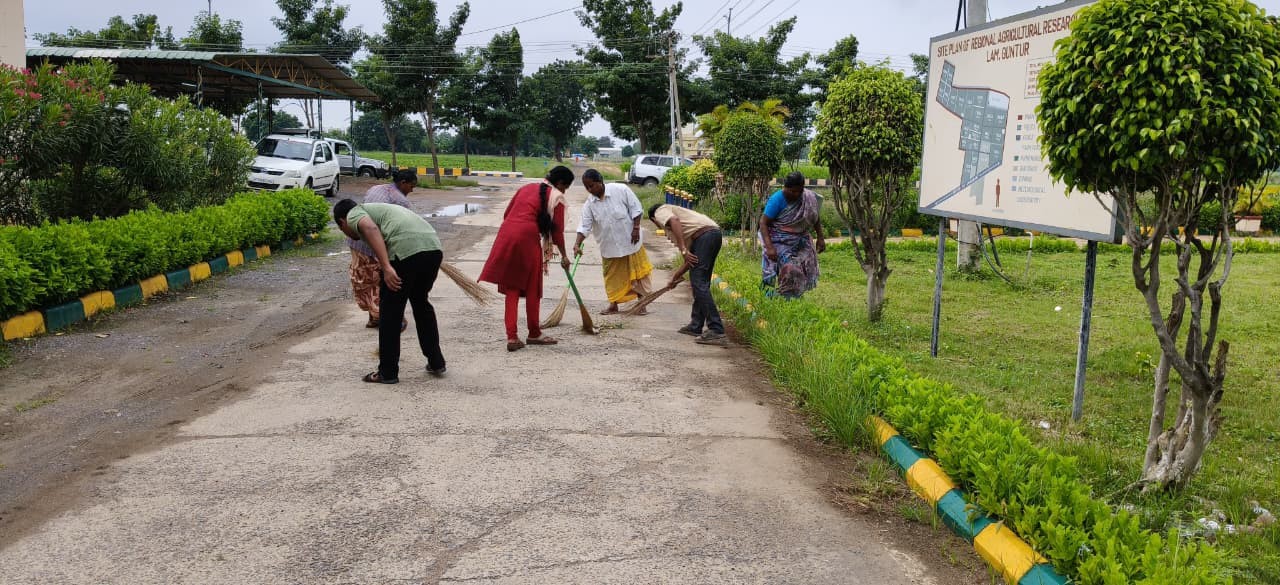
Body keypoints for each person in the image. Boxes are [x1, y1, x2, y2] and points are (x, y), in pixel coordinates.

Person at [334, 198, 446, 384]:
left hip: (407, 252)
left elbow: (370, 229)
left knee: (390, 312)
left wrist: (386, 267)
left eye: (342, 229)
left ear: (342, 222)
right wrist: (385, 263)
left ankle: (387, 372)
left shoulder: (354, 213)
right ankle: (436, 362)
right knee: (420, 302)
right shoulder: (381, 210)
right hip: (433, 248)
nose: (347, 233)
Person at [480, 166, 575, 352]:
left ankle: (512, 337)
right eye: (566, 187)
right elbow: (557, 232)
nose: (564, 191)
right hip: (527, 238)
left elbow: (507, 214)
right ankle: (534, 333)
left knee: (512, 288)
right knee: (533, 288)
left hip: (506, 234)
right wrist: (564, 255)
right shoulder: (557, 197)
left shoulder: (526, 188)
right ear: (561, 183)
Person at [573, 169, 653, 315]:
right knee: (611, 277)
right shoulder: (589, 204)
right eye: (587, 187)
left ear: (600, 181)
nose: (589, 190)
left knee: (637, 274)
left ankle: (642, 304)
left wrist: (636, 228)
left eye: (591, 186)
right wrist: (577, 244)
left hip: (630, 242)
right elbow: (584, 226)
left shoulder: (620, 190)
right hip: (609, 247)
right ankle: (613, 305)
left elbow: (636, 209)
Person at [648, 202, 726, 346]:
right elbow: (691, 260)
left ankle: (716, 329)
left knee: (698, 283)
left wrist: (683, 249)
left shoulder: (660, 211)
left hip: (706, 236)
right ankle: (696, 325)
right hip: (711, 236)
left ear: (653, 220)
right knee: (700, 281)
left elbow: (674, 221)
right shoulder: (680, 230)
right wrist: (675, 277)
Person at [348, 169, 417, 329]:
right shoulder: (401, 202)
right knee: (378, 283)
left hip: (357, 241)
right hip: (373, 246)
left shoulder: (376, 188)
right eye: (412, 186)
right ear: (403, 183)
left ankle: (375, 317)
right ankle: (391, 319)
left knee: (365, 281)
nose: (412, 190)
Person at [760, 172, 826, 299]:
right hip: (780, 241)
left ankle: (794, 297)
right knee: (790, 269)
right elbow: (763, 223)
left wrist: (820, 237)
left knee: (802, 269)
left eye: (800, 191)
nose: (797, 194)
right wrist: (769, 247)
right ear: (786, 187)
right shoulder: (777, 199)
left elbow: (815, 216)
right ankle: (781, 296)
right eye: (793, 191)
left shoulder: (808, 197)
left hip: (801, 241)